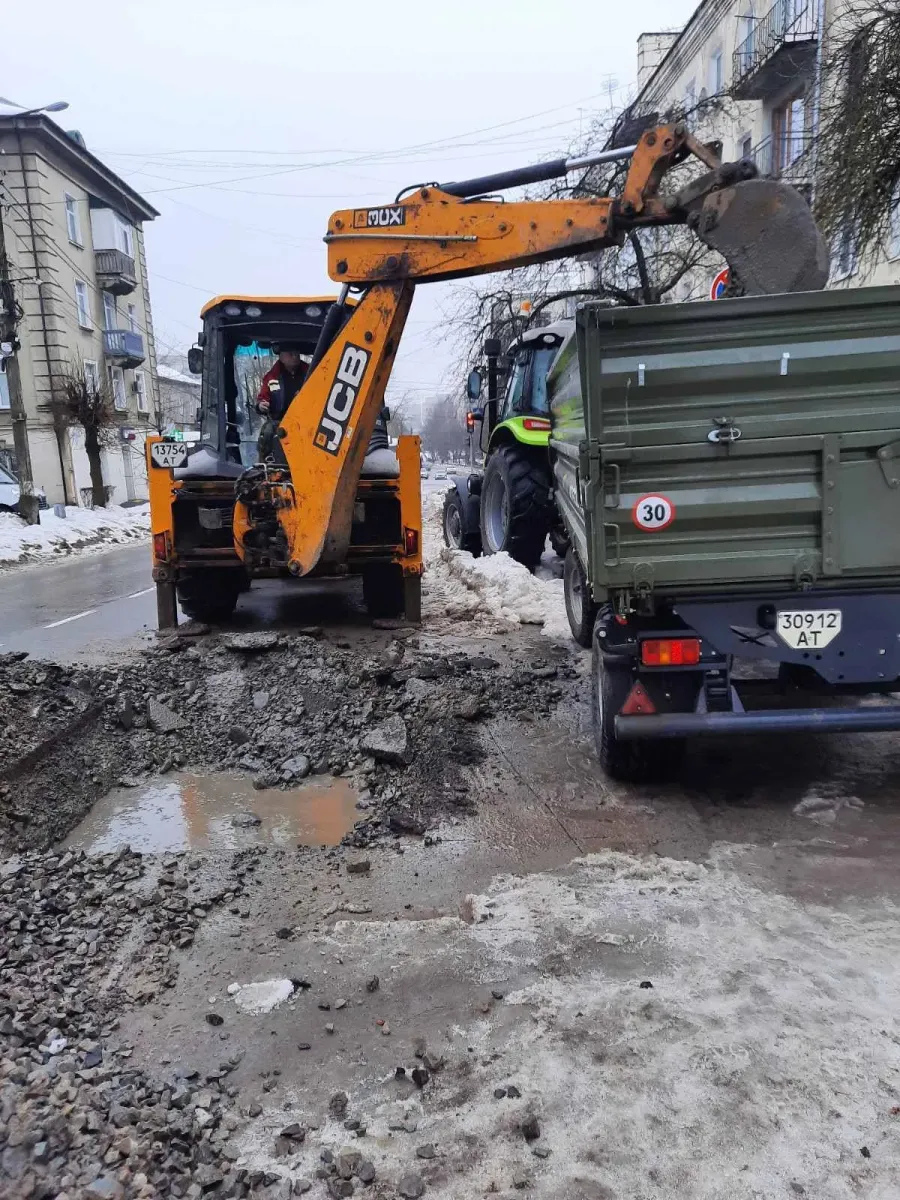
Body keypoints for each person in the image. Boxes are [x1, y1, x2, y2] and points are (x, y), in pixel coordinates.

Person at [256, 344, 308, 460]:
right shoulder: (272, 377)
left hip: (306, 419)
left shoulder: (311, 373)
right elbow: (263, 398)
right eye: (291, 354)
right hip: (280, 420)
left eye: (297, 353)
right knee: (267, 432)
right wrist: (261, 405)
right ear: (281, 357)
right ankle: (265, 462)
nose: (295, 356)